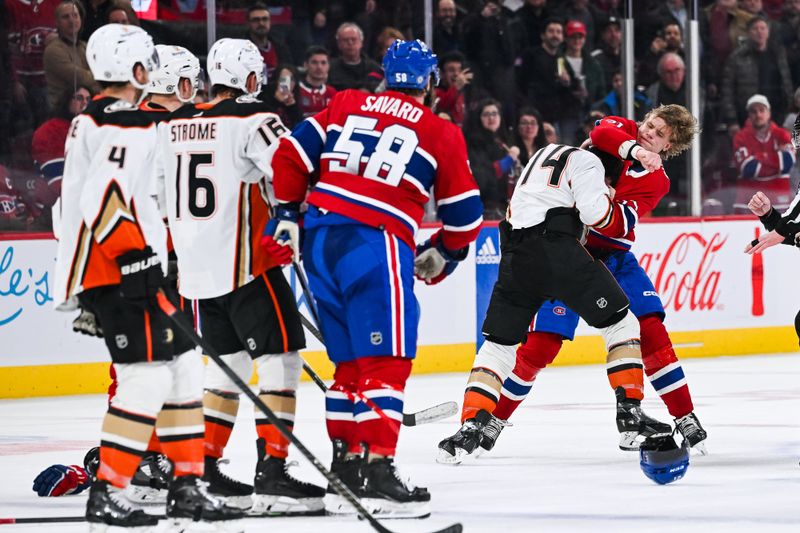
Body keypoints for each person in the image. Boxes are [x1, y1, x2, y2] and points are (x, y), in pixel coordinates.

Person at [268, 39, 483, 517]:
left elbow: (288, 154)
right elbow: (466, 214)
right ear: (429, 84)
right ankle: (379, 474)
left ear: (385, 76)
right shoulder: (438, 130)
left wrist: (286, 210)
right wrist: (446, 252)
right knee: (386, 363)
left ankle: (344, 475)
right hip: (375, 243)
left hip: (319, 241)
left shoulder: (343, 102)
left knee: (348, 367)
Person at [52, 23, 243, 528]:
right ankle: (109, 490)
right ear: (138, 70)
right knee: (144, 381)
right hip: (118, 273)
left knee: (182, 372)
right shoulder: (124, 123)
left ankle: (186, 485)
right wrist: (134, 258)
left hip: (127, 270)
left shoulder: (100, 118)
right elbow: (104, 198)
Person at [158, 37, 325, 515]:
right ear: (252, 79)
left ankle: (205, 465)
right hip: (248, 267)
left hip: (196, 274)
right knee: (282, 361)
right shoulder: (256, 120)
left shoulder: (177, 125)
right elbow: (291, 169)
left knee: (226, 368)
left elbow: (159, 195)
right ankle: (273, 472)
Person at [482, 105, 706, 456]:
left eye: (660, 134)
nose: (649, 132)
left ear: (670, 146)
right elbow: (602, 133)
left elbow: (616, 225)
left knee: (651, 331)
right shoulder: (623, 129)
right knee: (541, 345)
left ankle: (683, 415)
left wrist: (600, 206)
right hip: (566, 254)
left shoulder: (657, 181)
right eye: (650, 124)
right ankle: (493, 420)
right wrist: (631, 157)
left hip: (614, 258)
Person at [436, 140, 652, 464]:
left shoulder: (544, 152)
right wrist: (611, 207)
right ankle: (630, 414)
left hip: (514, 255)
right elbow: (595, 214)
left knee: (497, 348)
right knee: (622, 323)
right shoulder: (590, 164)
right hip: (558, 250)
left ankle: (469, 428)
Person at [732, 94, 796, 213]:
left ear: (769, 113)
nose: (758, 115)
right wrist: (776, 158)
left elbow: (788, 163)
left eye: (762, 110)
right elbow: (748, 168)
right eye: (754, 111)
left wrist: (758, 157)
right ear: (749, 115)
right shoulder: (740, 137)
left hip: (780, 202)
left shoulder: (781, 134)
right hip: (748, 204)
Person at [463, 98, 520, 219]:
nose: (491, 118)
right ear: (479, 118)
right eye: (486, 114)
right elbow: (481, 176)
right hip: (486, 208)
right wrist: (507, 161)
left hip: (507, 206)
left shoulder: (503, 141)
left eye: (494, 113)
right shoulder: (474, 143)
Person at [43, 1, 99, 108]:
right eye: (65, 17)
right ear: (57, 22)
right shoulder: (53, 50)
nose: (71, 20)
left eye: (75, 15)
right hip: (63, 109)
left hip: (86, 105)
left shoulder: (85, 46)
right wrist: (104, 80)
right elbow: (81, 78)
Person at [328, 22, 383, 92]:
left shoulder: (374, 68)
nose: (350, 43)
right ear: (339, 44)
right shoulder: (330, 68)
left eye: (354, 39)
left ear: (361, 42)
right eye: (345, 40)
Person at [246, 3, 293, 80]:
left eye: (265, 19)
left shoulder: (281, 48)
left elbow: (290, 73)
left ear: (270, 21)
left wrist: (284, 90)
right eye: (256, 20)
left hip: (278, 90)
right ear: (248, 23)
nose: (261, 23)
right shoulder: (240, 50)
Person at [433, 51, 472, 127]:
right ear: (441, 74)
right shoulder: (434, 93)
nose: (456, 74)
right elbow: (443, 105)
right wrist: (456, 88)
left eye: (459, 70)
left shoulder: (468, 92)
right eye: (451, 70)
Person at [298, 46, 337, 118]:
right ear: (305, 65)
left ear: (329, 66)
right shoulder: (296, 90)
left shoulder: (332, 93)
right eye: (314, 62)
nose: (319, 67)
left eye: (323, 63)